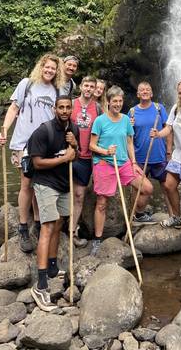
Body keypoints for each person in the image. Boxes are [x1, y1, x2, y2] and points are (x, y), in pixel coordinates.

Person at [0, 53, 64, 252]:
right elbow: (13, 109)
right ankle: (23, 226)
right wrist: (4, 130)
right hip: (24, 142)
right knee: (27, 184)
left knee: (41, 184)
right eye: (47, 67)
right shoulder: (26, 84)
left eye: (53, 68)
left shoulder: (56, 89)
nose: (50, 71)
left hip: (46, 145)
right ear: (41, 66)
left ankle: (38, 222)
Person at [89, 85, 153, 254]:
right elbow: (92, 145)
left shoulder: (125, 119)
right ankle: (97, 239)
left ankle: (138, 214)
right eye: (114, 101)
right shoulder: (100, 121)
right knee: (102, 203)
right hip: (104, 163)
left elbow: (130, 142)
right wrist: (106, 151)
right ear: (108, 102)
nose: (117, 104)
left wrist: (133, 162)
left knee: (147, 188)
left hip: (124, 163)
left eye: (120, 101)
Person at [28, 95, 78, 311]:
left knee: (59, 223)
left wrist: (74, 148)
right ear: (54, 109)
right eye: (61, 107)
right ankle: (40, 284)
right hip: (45, 183)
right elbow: (37, 163)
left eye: (68, 107)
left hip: (64, 184)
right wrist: (64, 159)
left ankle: (51, 266)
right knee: (47, 226)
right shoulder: (43, 131)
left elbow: (74, 156)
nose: (64, 111)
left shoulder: (72, 130)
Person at [150, 79, 181, 228]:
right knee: (169, 185)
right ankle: (177, 217)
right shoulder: (175, 108)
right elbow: (169, 128)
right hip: (180, 155)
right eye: (180, 92)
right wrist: (158, 134)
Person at [129, 81, 169, 222]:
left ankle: (173, 216)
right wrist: (130, 126)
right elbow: (128, 136)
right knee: (138, 189)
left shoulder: (159, 108)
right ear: (138, 94)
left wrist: (168, 151)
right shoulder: (132, 112)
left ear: (151, 93)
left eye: (148, 89)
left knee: (167, 187)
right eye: (142, 90)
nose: (145, 91)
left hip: (159, 155)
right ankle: (136, 215)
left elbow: (168, 129)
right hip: (139, 157)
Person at [70, 75, 102, 247]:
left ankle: (72, 231)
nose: (89, 89)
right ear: (81, 87)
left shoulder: (97, 108)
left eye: (92, 86)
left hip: (86, 157)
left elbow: (106, 127)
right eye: (86, 85)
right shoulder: (71, 104)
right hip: (69, 155)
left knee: (79, 195)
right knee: (61, 192)